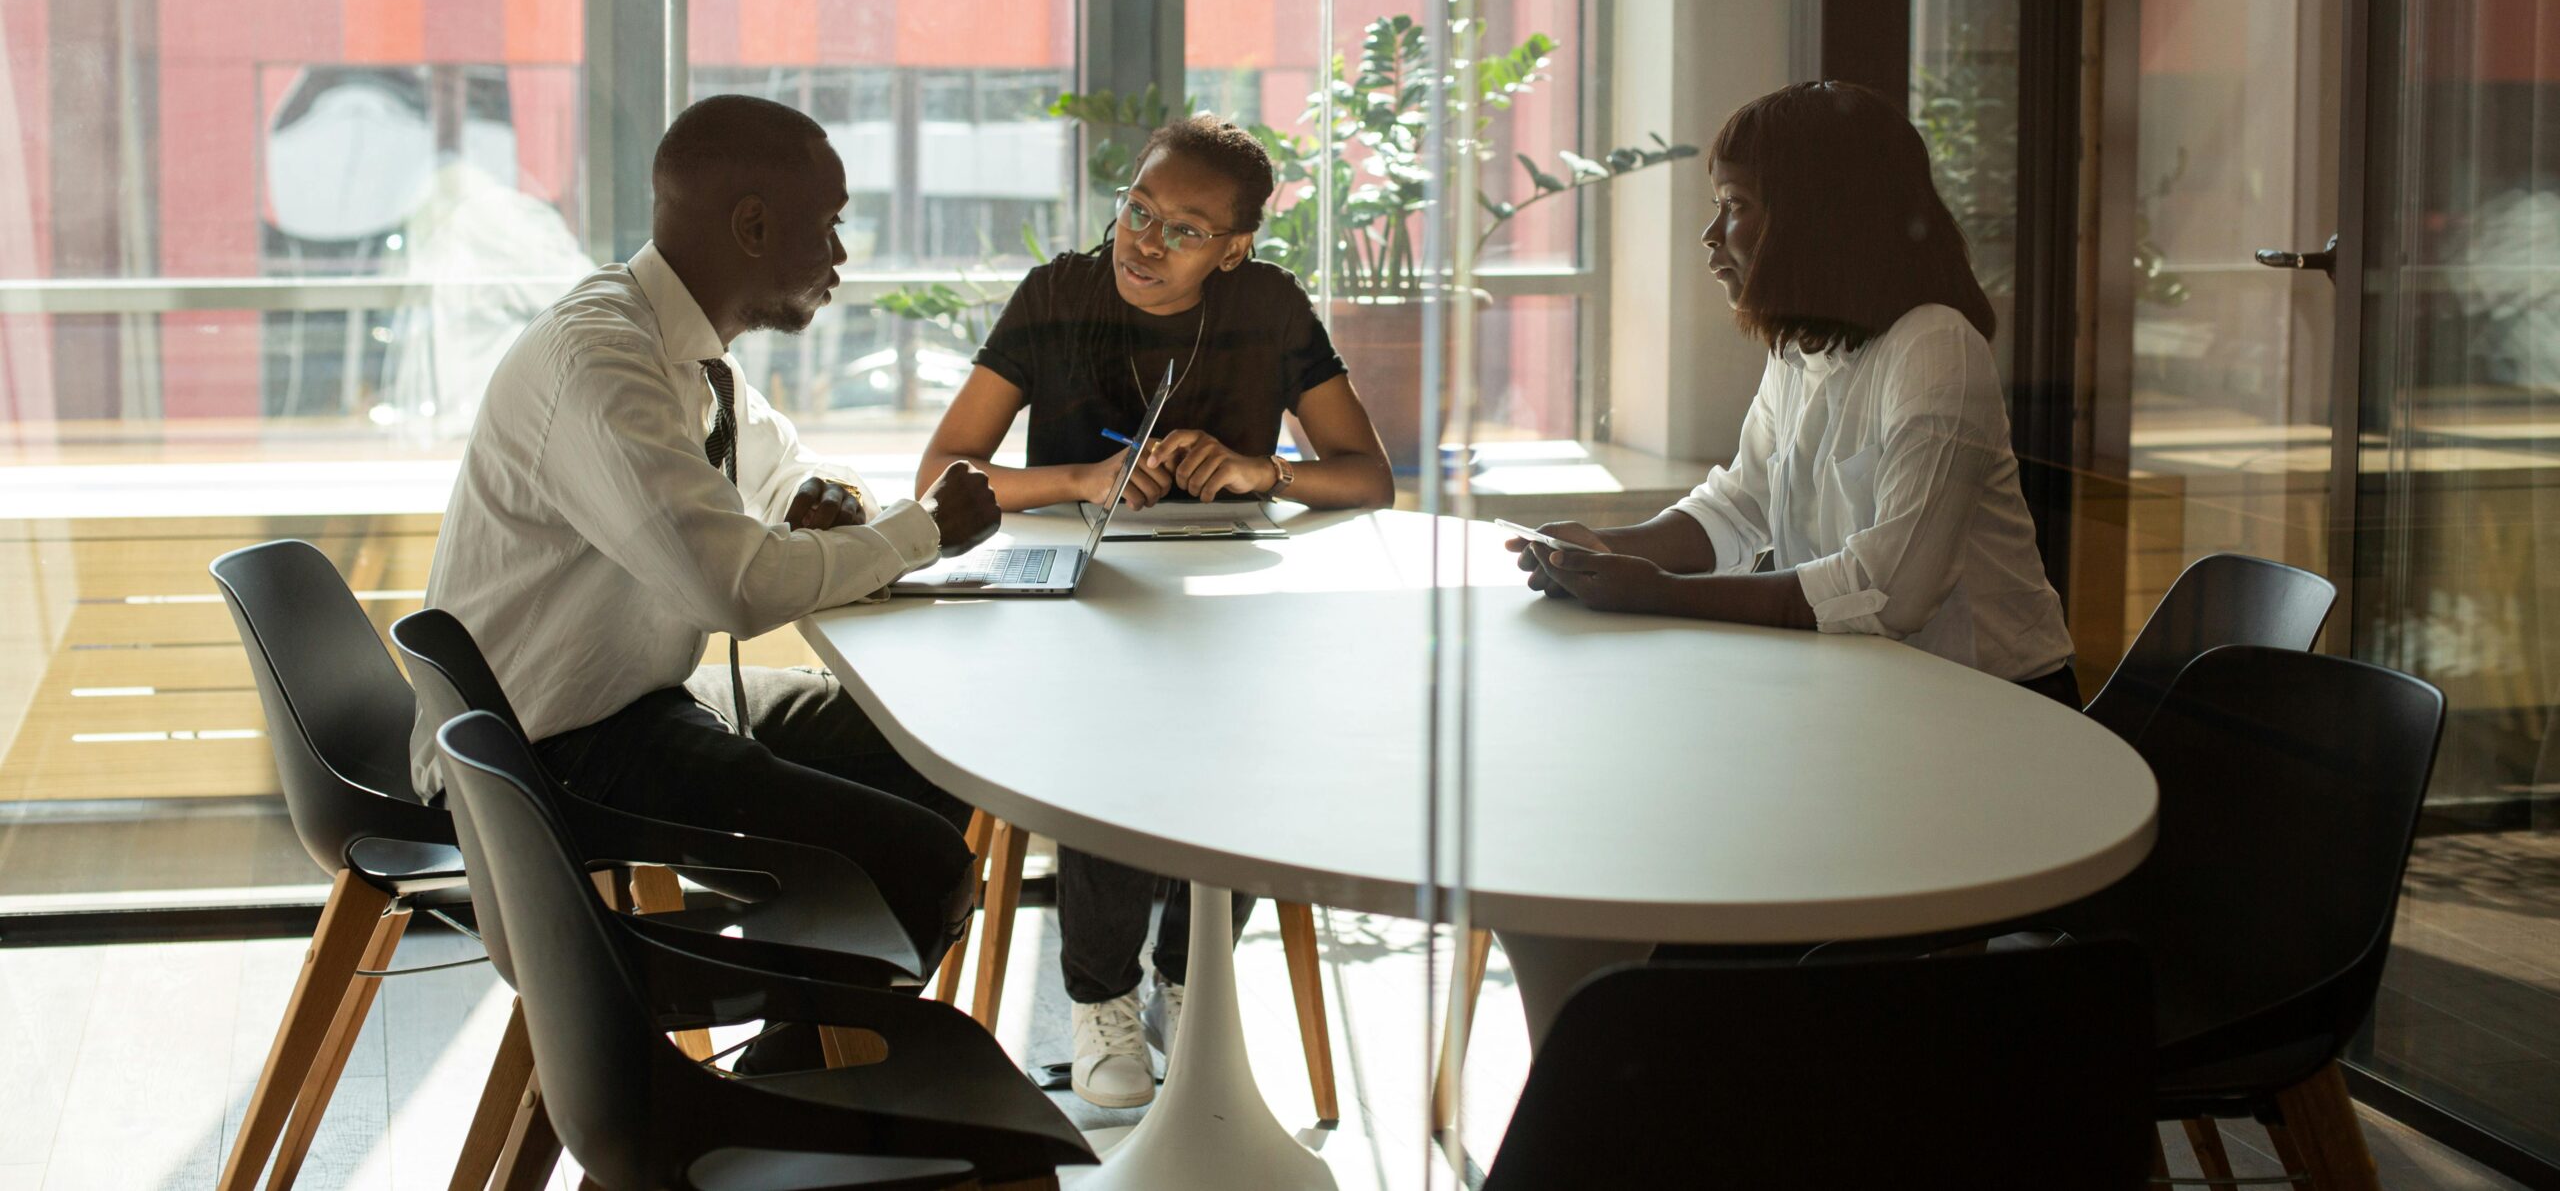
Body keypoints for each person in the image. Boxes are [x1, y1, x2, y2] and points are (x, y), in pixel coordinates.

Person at [408, 94, 1004, 1045]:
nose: (843, 257)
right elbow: (731, 589)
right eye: (830, 226)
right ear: (755, 227)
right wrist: (919, 531)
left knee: (929, 745)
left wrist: (829, 504)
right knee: (917, 862)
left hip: (635, 698)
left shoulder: (682, 353)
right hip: (553, 749)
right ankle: (774, 1111)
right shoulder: (605, 365)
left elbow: (778, 472)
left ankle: (798, 1067)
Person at [919, 112, 1394, 1109]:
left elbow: (1368, 477)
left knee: (1271, 727)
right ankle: (1102, 992)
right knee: (1115, 727)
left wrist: (1261, 468)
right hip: (1079, 608)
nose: (1144, 240)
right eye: (1138, 210)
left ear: (1233, 249)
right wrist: (1082, 478)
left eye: (1184, 230)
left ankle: (1191, 967)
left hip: (1227, 609)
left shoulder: (1266, 305)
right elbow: (943, 469)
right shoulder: (1058, 292)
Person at [1510, 80, 2081, 706]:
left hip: (1996, 707)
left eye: (1734, 204)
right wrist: (1599, 552)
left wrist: (1656, 590)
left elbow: (1890, 590)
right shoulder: (1803, 344)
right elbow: (1740, 505)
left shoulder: (1934, 348)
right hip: (1880, 691)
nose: (1710, 234)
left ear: (1813, 215)